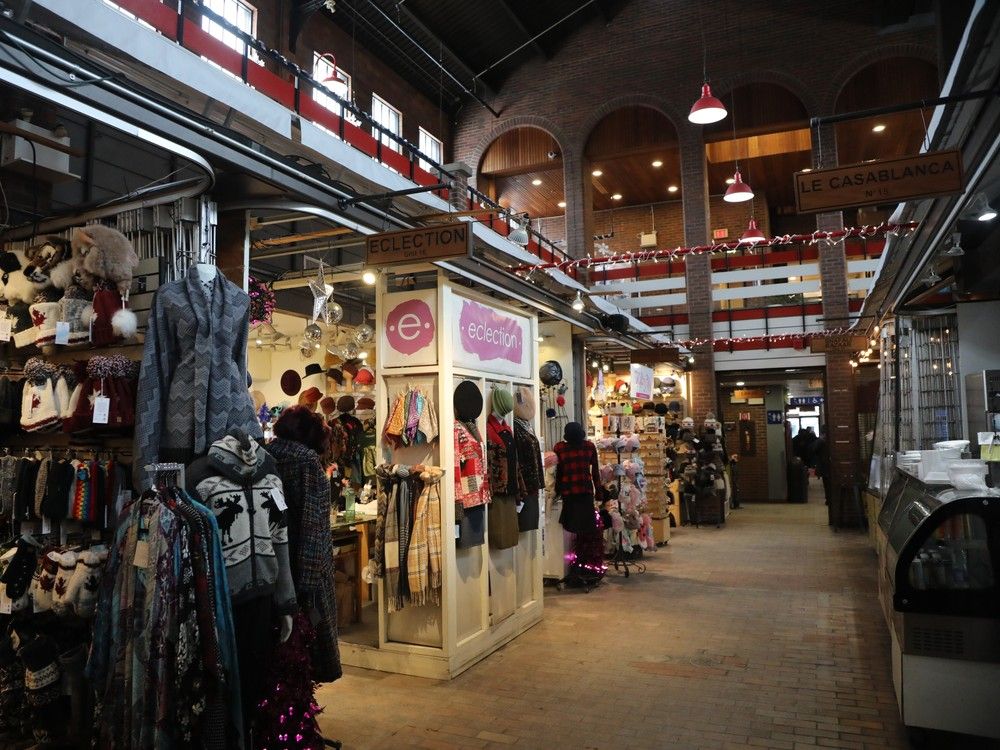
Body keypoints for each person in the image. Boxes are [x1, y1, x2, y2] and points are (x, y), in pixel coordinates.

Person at [267, 405, 343, 682]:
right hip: (306, 566)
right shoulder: (309, 463)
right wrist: (310, 583)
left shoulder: (267, 456)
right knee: (312, 647)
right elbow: (313, 526)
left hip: (274, 561)